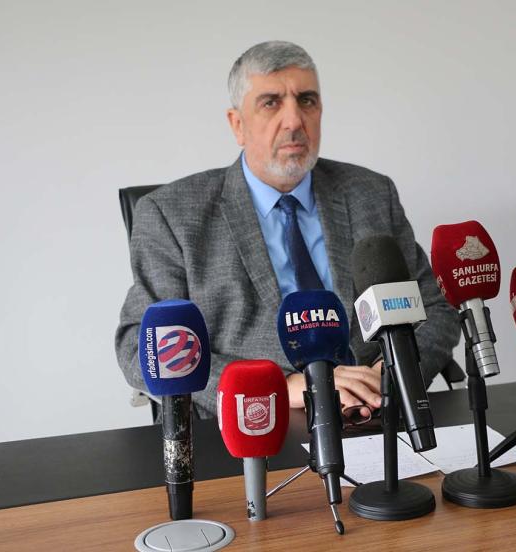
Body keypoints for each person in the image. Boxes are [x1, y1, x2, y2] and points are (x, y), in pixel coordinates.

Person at [115, 41, 459, 418]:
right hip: (255, 421)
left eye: (307, 100)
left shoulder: (372, 194)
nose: (294, 121)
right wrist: (276, 388)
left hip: (377, 410)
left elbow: (434, 310)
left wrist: (389, 375)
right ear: (237, 124)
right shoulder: (173, 214)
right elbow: (141, 348)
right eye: (271, 103)